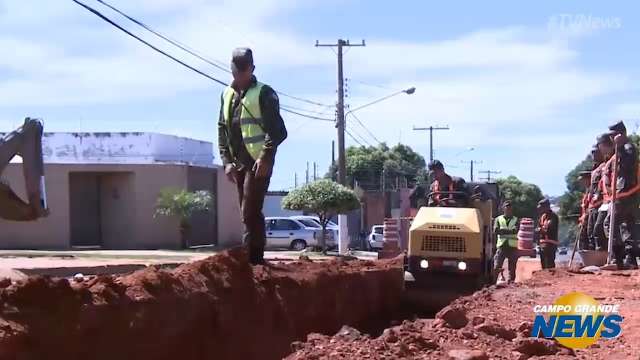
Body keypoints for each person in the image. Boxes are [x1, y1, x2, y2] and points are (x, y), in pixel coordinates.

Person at [218, 48, 287, 265]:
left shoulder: (264, 93)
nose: (238, 74)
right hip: (238, 162)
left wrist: (266, 156)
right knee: (246, 211)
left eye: (243, 69)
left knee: (250, 210)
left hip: (258, 162)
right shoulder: (227, 95)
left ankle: (253, 259)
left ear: (252, 69)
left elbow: (277, 131)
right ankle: (252, 259)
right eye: (235, 69)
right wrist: (226, 161)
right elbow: (222, 127)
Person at [604, 121, 639, 269]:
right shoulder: (621, 149)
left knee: (611, 223)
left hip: (626, 193)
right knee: (625, 226)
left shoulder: (628, 148)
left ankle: (619, 257)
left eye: (613, 136)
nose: (612, 139)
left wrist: (619, 148)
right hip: (621, 194)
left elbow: (628, 166)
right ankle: (626, 259)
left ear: (621, 134)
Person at [593, 134, 615, 251]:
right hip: (605, 202)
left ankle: (614, 257)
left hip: (614, 199)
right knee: (598, 229)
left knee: (609, 228)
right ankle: (602, 255)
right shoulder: (606, 163)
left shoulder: (615, 158)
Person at [587, 142, 608, 251]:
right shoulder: (594, 169)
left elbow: (602, 184)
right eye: (592, 153)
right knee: (590, 232)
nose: (593, 155)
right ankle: (593, 255)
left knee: (598, 231)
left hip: (600, 204)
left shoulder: (604, 166)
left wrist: (597, 196)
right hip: (592, 205)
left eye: (595, 152)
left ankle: (601, 255)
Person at [493, 201, 520, 283]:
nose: (508, 209)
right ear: (503, 209)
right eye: (506, 207)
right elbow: (496, 230)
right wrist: (509, 231)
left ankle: (511, 284)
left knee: (512, 268)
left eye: (509, 208)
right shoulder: (498, 219)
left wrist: (502, 231)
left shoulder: (516, 219)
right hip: (501, 246)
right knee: (497, 266)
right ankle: (493, 283)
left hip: (512, 247)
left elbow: (515, 231)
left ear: (512, 209)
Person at [537, 198, 559, 269]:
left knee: (550, 265)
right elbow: (539, 228)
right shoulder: (542, 217)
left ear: (546, 207)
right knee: (543, 265)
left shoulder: (553, 217)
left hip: (550, 245)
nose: (540, 209)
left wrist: (541, 230)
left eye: (541, 207)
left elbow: (549, 229)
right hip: (542, 244)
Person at [577, 170, 592, 250]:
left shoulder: (592, 190)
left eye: (582, 180)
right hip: (584, 220)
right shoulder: (586, 192)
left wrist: (585, 217)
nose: (581, 183)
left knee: (588, 239)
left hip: (589, 218)